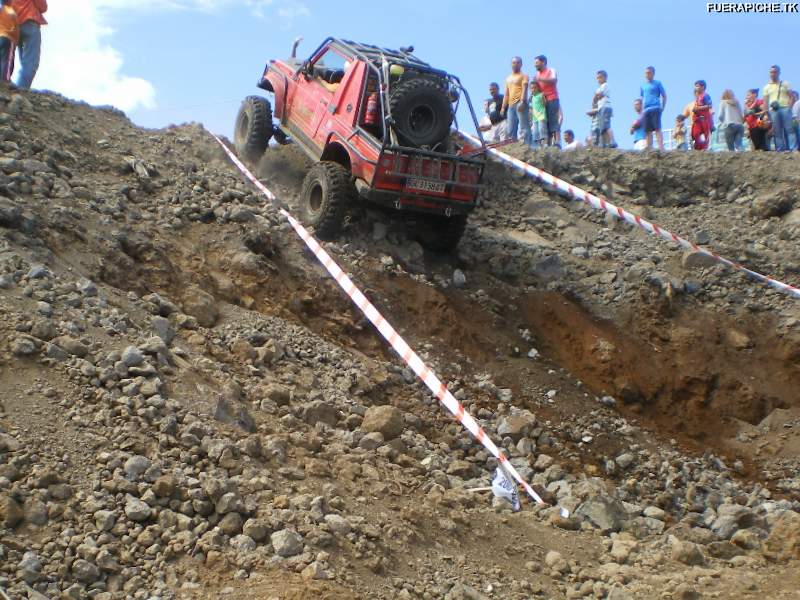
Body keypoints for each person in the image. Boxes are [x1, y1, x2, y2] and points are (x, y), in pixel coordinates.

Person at [9, 0, 45, 89]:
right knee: (30, 62)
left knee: (9, 58)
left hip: (11, 24)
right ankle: (20, 90)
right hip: (29, 22)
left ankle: (4, 87)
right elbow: (43, 6)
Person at [762, 65, 794, 151]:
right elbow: (765, 102)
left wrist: (789, 108)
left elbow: (792, 96)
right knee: (777, 131)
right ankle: (780, 149)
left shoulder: (785, 83)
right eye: (771, 72)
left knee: (789, 129)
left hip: (785, 108)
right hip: (774, 110)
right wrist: (766, 114)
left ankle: (792, 149)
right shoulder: (766, 87)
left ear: (779, 73)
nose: (773, 74)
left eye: (775, 72)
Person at [501, 56, 531, 144]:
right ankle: (512, 144)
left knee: (524, 126)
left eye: (518, 63)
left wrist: (523, 101)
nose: (515, 64)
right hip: (510, 105)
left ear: (521, 64)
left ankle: (526, 144)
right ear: (511, 64)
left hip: (520, 103)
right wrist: (503, 107)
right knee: (511, 128)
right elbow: (506, 94)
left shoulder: (524, 76)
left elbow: (525, 88)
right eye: (514, 63)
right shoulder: (508, 78)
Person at [533, 55, 561, 147]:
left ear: (543, 62)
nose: (535, 65)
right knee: (545, 123)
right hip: (542, 101)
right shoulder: (537, 74)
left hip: (552, 98)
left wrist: (540, 79)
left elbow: (554, 80)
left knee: (553, 121)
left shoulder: (551, 70)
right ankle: (547, 144)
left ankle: (557, 142)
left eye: (537, 63)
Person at [639, 66, 667, 150]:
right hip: (646, 110)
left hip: (655, 108)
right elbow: (642, 98)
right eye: (646, 73)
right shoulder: (643, 86)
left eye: (649, 73)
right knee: (648, 130)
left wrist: (662, 107)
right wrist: (642, 111)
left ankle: (661, 147)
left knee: (657, 128)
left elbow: (664, 96)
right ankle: (649, 147)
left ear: (653, 74)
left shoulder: (657, 83)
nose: (647, 74)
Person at [592, 70, 614, 147]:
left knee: (606, 126)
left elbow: (599, 95)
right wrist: (596, 96)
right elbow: (594, 100)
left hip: (605, 107)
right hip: (601, 108)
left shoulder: (605, 85)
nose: (598, 79)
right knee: (602, 127)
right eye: (597, 78)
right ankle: (605, 143)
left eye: (600, 77)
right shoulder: (599, 87)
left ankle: (612, 141)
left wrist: (596, 96)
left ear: (605, 78)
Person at [690, 80, 713, 151]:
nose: (696, 88)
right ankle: (697, 147)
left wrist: (698, 108)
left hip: (704, 119)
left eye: (697, 86)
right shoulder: (698, 96)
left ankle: (703, 148)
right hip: (697, 119)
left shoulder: (705, 96)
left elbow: (709, 105)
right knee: (695, 133)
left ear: (702, 87)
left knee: (704, 134)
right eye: (695, 86)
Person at [0, 0, 18, 83]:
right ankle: (5, 81)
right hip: (8, 38)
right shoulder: (11, 11)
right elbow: (15, 28)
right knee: (7, 60)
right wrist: (16, 40)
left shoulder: (1, 9)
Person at [528, 80, 547, 148]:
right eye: (531, 88)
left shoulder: (541, 95)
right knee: (535, 132)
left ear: (538, 88)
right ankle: (536, 146)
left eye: (534, 88)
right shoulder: (532, 97)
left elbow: (544, 104)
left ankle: (544, 144)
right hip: (535, 118)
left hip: (541, 116)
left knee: (541, 129)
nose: (533, 89)